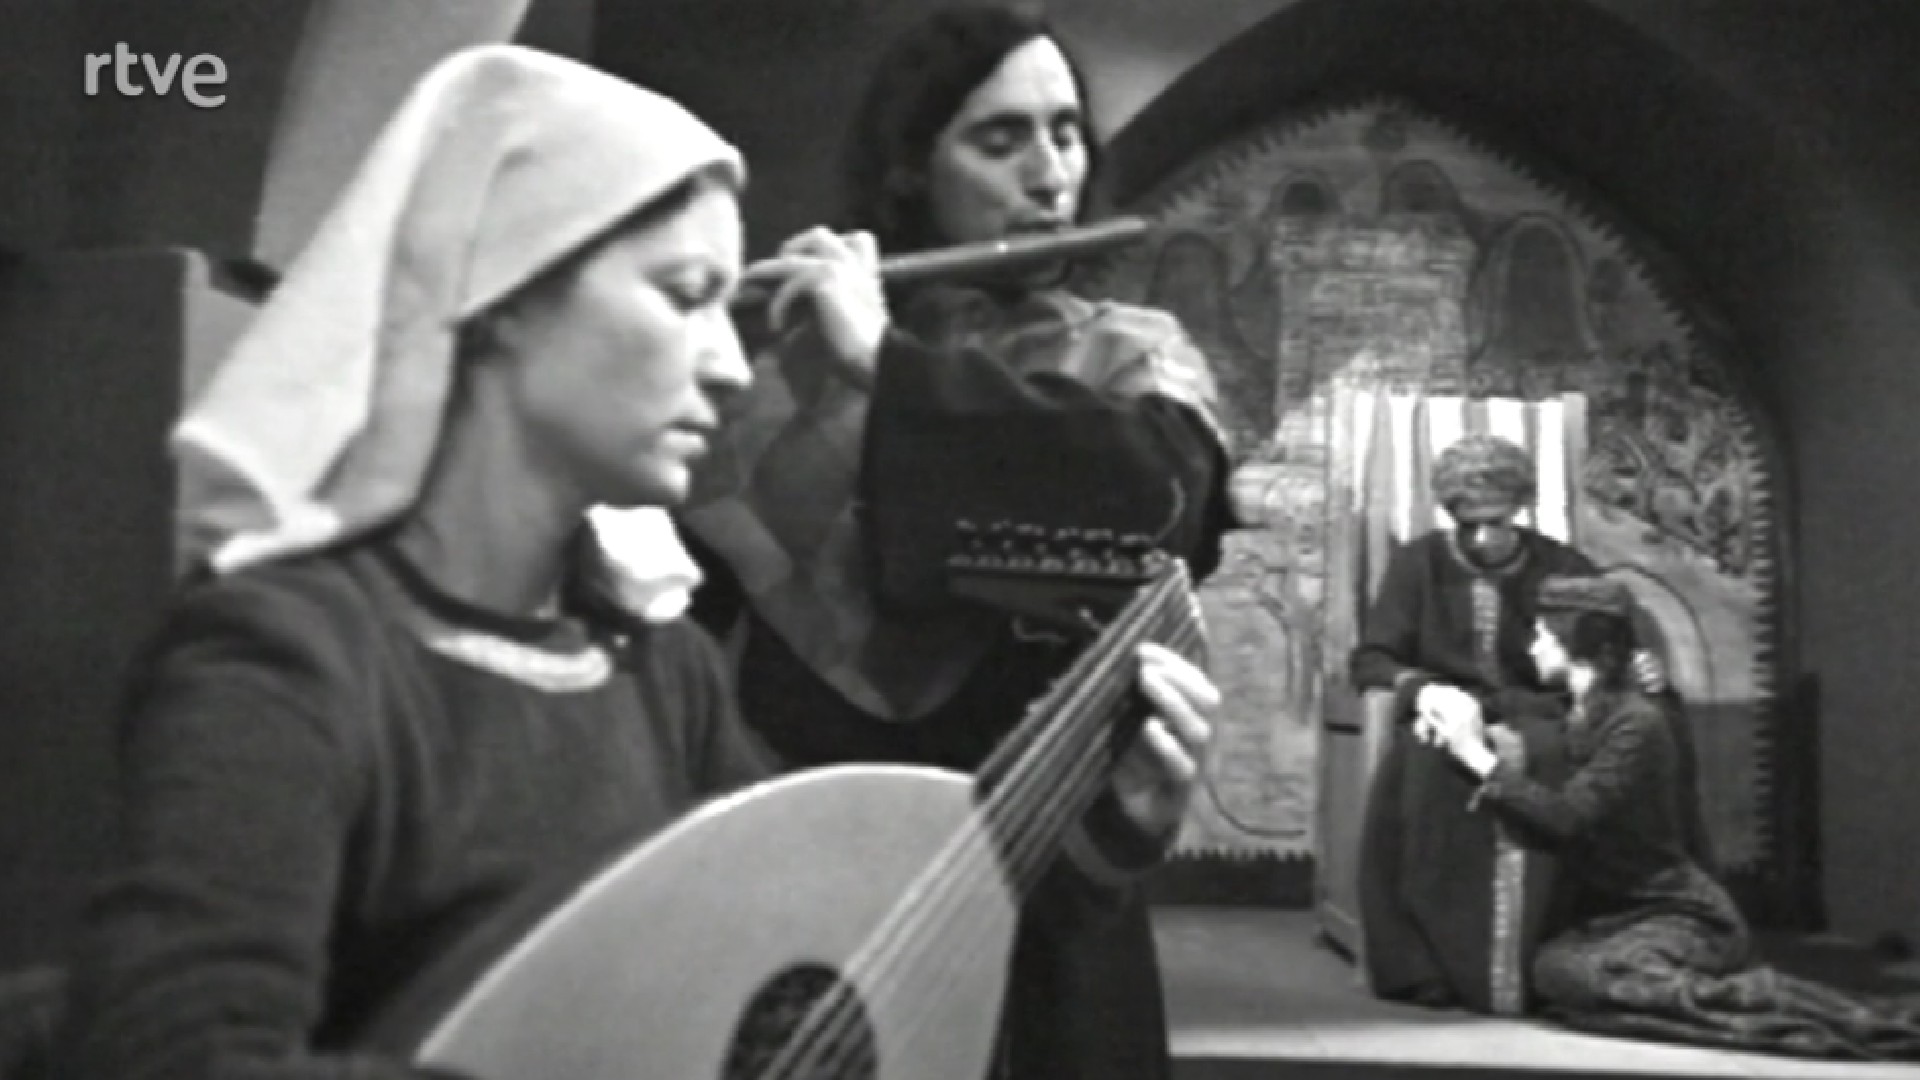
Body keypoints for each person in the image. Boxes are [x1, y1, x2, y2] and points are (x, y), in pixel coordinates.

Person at [48, 44, 1219, 1080]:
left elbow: (839, 949)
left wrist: (1102, 833)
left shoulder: (656, 669)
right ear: (503, 301)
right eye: (683, 296)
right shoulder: (288, 659)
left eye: (725, 302)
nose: (729, 364)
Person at [676, 5, 1233, 1079]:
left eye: (1066, 132)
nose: (1050, 173)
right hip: (816, 885)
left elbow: (1157, 500)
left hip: (1052, 880)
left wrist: (883, 367)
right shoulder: (772, 375)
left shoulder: (1132, 354)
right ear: (910, 169)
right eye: (1000, 138)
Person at [1428, 575, 1920, 1062]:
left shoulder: (1636, 722)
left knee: (1588, 979)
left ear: (1573, 639)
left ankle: (1784, 1004)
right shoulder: (1576, 710)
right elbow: (1510, 707)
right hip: (1614, 921)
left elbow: (1569, 817)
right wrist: (1436, 702)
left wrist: (1476, 756)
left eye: (1541, 633)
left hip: (1682, 917)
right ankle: (1697, 998)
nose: (1531, 645)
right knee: (1555, 970)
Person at [1349, 433, 1669, 1015]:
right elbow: (1372, 659)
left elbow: (1614, 634)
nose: (1480, 537)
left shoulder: (1560, 565)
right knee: (1425, 773)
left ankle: (1537, 954)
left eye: (1493, 522)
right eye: (1466, 523)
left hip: (1542, 712)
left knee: (1554, 761)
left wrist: (1642, 660)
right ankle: (1428, 965)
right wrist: (1426, 690)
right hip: (1442, 708)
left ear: (1519, 508)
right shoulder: (1418, 563)